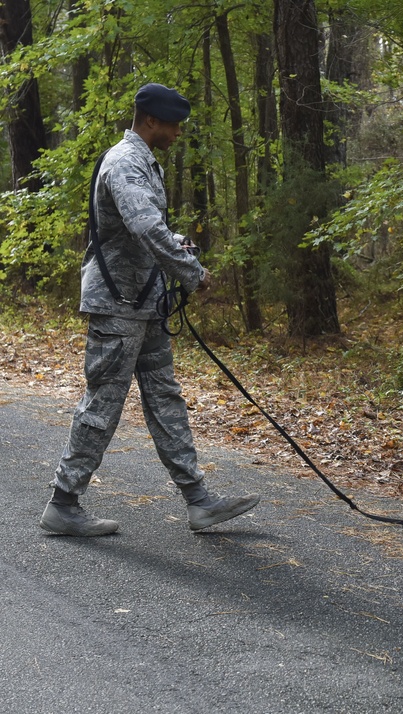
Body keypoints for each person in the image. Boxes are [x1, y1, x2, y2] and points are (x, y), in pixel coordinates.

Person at [40, 83, 260, 536]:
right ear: (152, 121)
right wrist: (191, 271)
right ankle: (63, 503)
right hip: (118, 307)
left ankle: (198, 501)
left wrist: (177, 245)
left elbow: (150, 228)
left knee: (165, 398)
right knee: (103, 404)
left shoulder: (144, 164)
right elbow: (145, 228)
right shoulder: (125, 163)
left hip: (145, 304)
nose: (179, 132)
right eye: (175, 124)